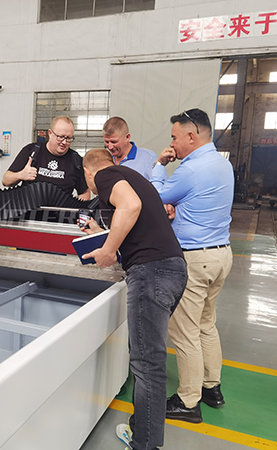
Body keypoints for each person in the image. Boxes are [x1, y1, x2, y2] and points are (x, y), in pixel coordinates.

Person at [80, 148, 187, 450]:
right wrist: (100, 234)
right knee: (147, 357)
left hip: (151, 273)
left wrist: (108, 250)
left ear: (89, 172)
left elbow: (131, 205)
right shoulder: (132, 176)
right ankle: (140, 430)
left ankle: (145, 445)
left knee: (147, 364)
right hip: (172, 269)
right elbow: (135, 226)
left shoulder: (104, 175)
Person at [151, 108, 234, 423]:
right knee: (206, 324)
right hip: (221, 255)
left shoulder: (192, 169)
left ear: (191, 135)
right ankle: (211, 388)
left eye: (174, 137)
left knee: (184, 331)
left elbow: (157, 195)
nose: (172, 143)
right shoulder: (222, 164)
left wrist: (160, 165)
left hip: (196, 260)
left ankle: (188, 402)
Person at [2, 116, 90, 200]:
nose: (64, 142)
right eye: (60, 137)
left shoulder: (76, 160)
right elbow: (5, 180)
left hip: (61, 210)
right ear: (50, 133)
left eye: (69, 138)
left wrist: (76, 207)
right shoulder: (31, 151)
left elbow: (85, 192)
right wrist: (20, 175)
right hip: (29, 209)